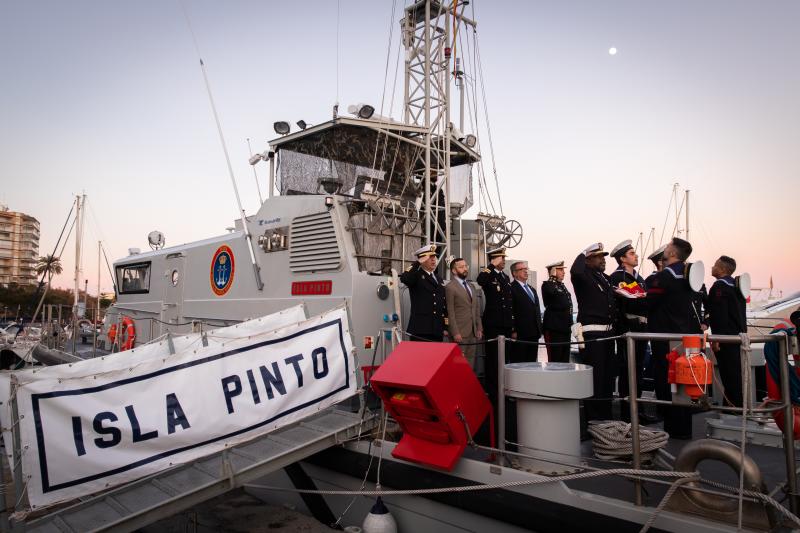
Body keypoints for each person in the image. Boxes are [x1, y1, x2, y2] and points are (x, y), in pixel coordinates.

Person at [647, 237, 702, 438]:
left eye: (668, 247)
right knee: (683, 382)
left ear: (672, 253)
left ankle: (672, 430)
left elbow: (649, 302)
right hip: (685, 336)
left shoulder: (664, 278)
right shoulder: (688, 275)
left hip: (666, 337)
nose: (666, 249)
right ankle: (683, 429)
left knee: (667, 380)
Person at [571, 242, 616, 421]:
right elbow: (575, 270)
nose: (603, 260)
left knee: (607, 378)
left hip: (608, 334)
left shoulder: (604, 278)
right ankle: (594, 419)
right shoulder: (583, 277)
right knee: (595, 378)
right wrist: (583, 252)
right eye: (599, 257)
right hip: (592, 335)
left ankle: (606, 416)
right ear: (588, 260)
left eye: (604, 257)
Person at [609, 239, 649, 421]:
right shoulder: (618, 278)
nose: (636, 256)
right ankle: (628, 412)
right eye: (632, 253)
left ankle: (638, 409)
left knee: (638, 370)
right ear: (622, 259)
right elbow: (634, 299)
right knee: (628, 371)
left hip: (641, 329)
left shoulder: (638, 278)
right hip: (628, 329)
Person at [476, 247, 515, 417]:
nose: (504, 260)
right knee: (493, 360)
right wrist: (491, 266)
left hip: (505, 324)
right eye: (501, 258)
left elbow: (509, 303)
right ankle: (493, 392)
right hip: (493, 324)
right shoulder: (488, 273)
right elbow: (480, 280)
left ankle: (502, 390)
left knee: (504, 359)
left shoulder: (505, 277)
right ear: (494, 259)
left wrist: (512, 326)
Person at [706, 255, 747, 407]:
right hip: (738, 337)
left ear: (722, 269)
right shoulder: (737, 287)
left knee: (729, 374)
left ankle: (733, 408)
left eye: (715, 265)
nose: (712, 267)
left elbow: (719, 316)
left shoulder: (719, 287)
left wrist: (717, 339)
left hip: (727, 339)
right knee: (735, 374)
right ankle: (734, 404)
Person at [400, 244, 447, 342]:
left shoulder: (439, 278)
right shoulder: (416, 276)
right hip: (421, 329)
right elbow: (404, 278)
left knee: (436, 357)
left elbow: (443, 304)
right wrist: (417, 263)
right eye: (430, 257)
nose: (434, 260)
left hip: (437, 329)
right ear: (422, 260)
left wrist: (445, 326)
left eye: (434, 257)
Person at [445, 257, 483, 368]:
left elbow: (476, 309)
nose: (465, 268)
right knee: (458, 365)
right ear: (453, 270)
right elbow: (450, 311)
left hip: (473, 332)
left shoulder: (471, 286)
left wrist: (479, 327)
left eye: (466, 266)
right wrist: (455, 332)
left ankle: (467, 385)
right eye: (461, 267)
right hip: (460, 333)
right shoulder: (450, 287)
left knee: (470, 365)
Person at [509, 261, 543, 362]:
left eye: (526, 269)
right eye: (522, 269)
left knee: (532, 362)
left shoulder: (532, 289)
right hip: (520, 333)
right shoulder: (511, 288)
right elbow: (510, 310)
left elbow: (536, 310)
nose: (526, 271)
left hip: (534, 333)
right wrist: (513, 330)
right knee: (520, 362)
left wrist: (539, 329)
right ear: (514, 273)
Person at [541, 261, 573, 363]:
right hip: (554, 328)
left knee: (564, 359)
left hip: (565, 328)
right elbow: (551, 292)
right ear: (553, 271)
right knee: (555, 359)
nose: (564, 272)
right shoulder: (547, 285)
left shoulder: (561, 286)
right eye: (560, 270)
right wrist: (552, 277)